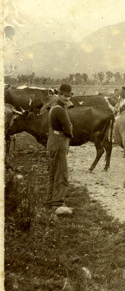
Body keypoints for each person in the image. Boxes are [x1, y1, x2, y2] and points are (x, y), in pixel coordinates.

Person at [45, 83, 73, 214]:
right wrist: (69, 135)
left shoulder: (54, 106)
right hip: (59, 140)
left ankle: (50, 201)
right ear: (59, 94)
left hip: (53, 139)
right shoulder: (60, 110)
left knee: (53, 172)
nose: (66, 98)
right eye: (64, 95)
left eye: (68, 96)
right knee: (62, 173)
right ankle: (59, 203)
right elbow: (68, 129)